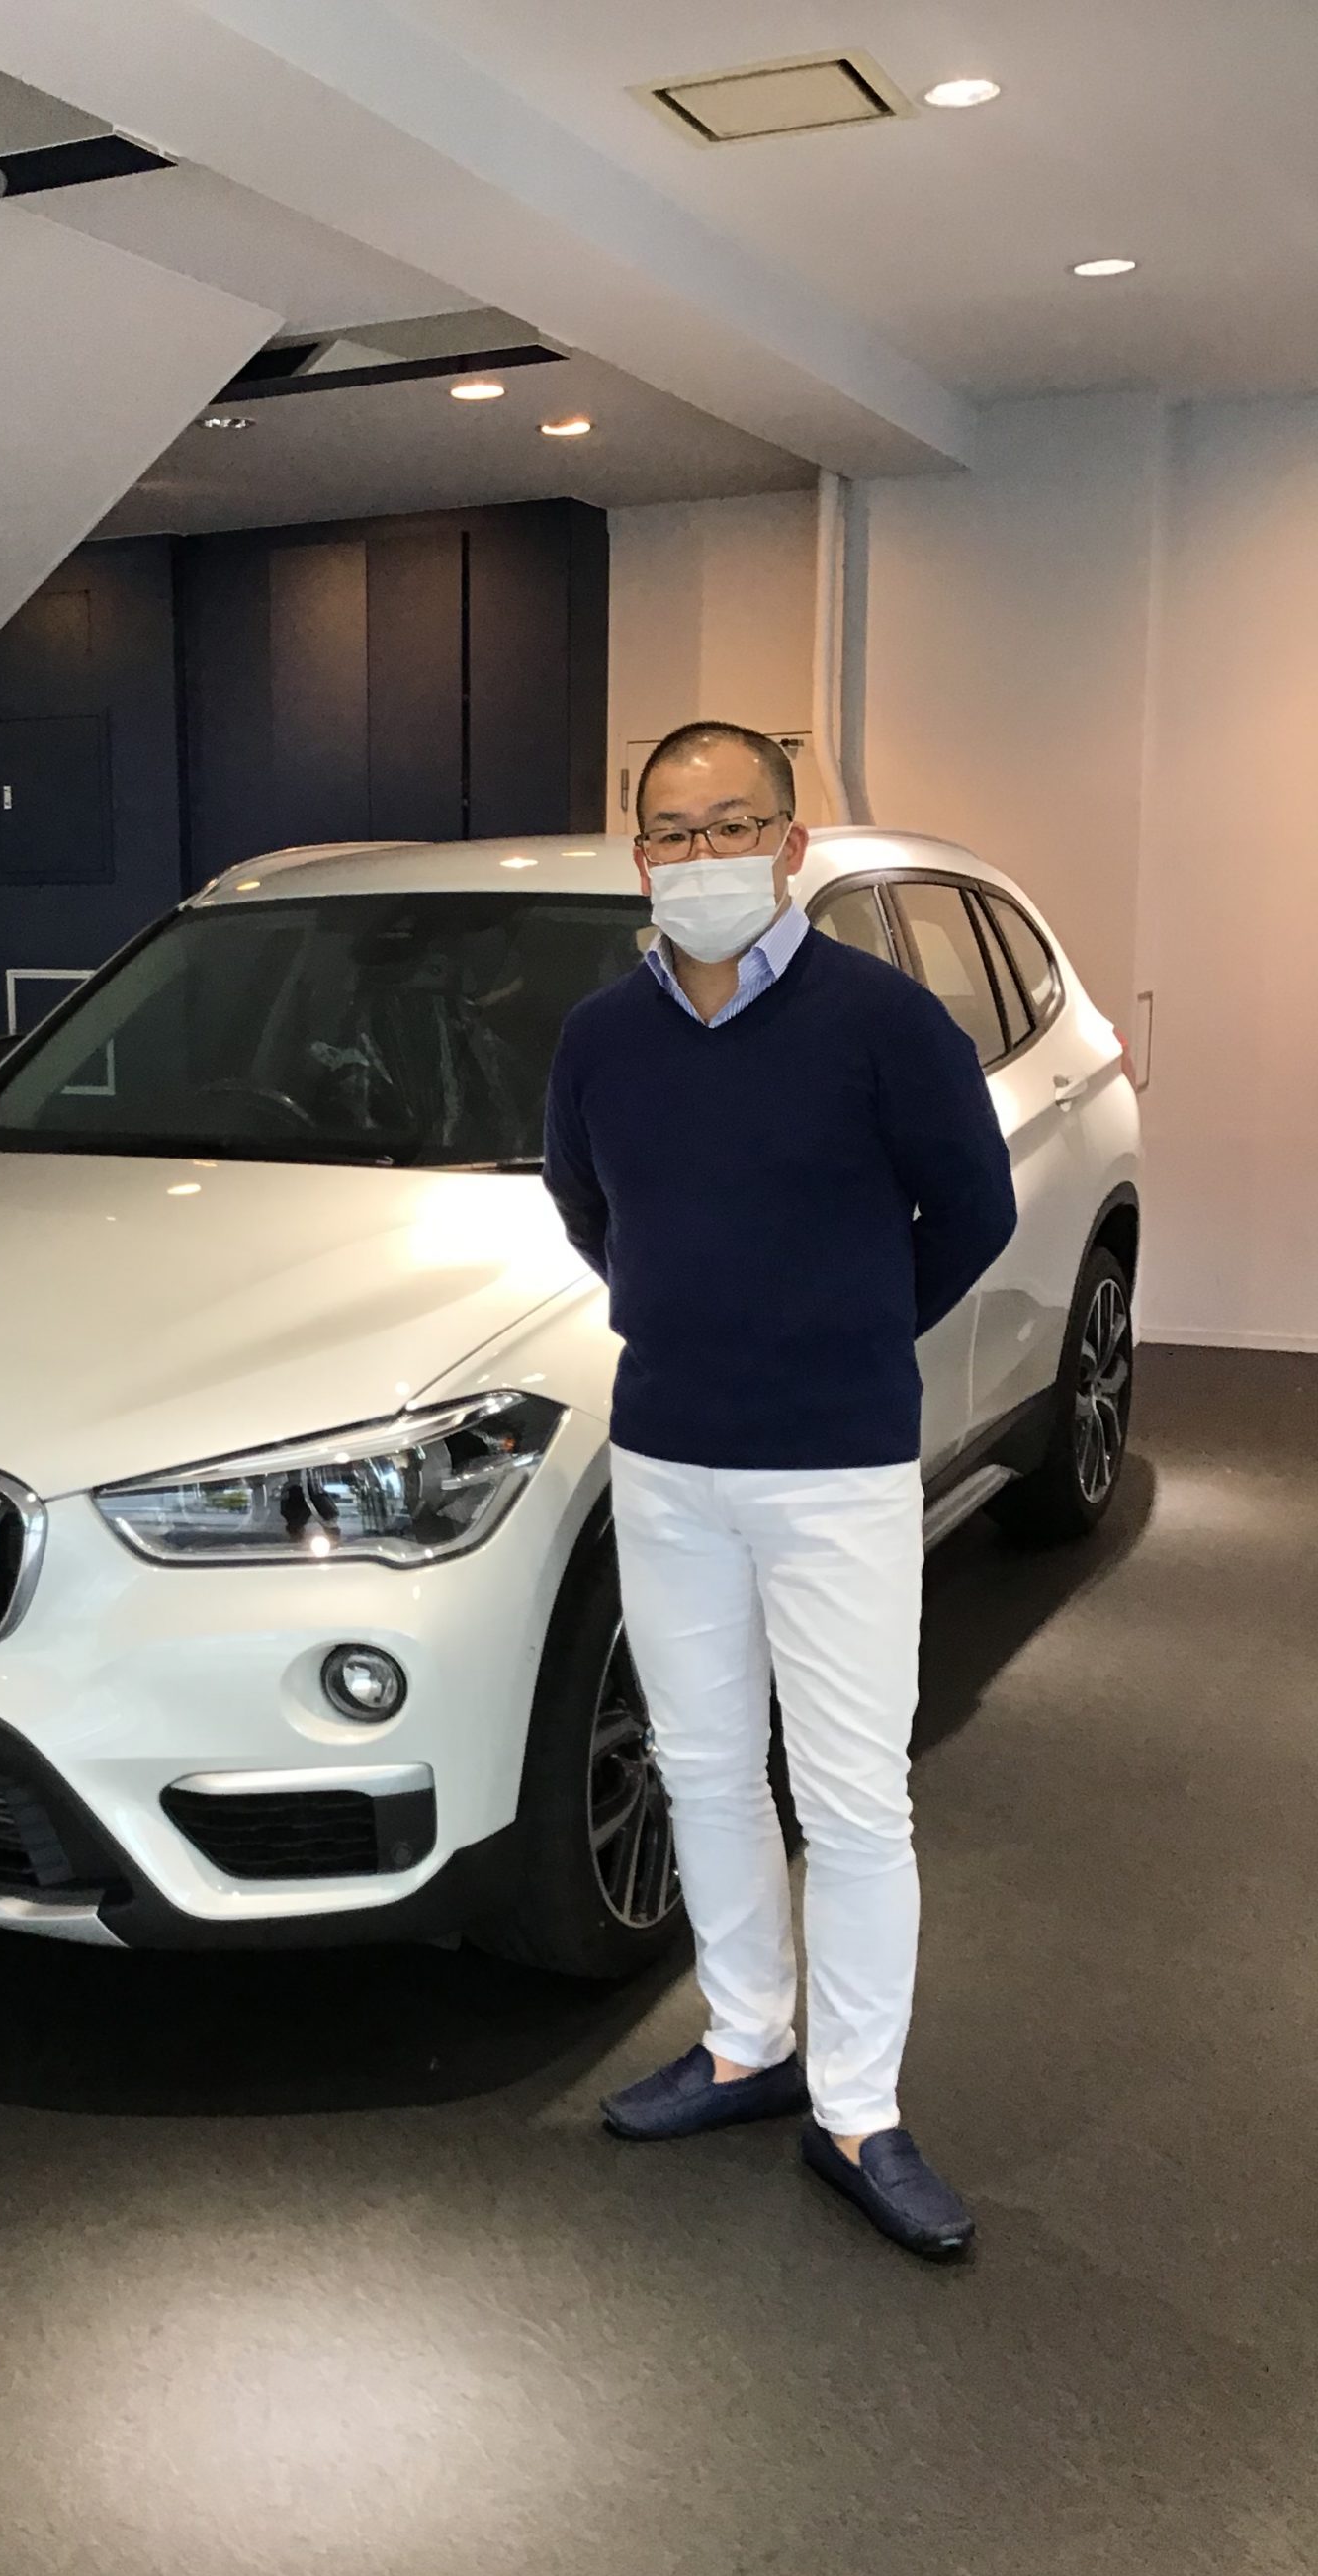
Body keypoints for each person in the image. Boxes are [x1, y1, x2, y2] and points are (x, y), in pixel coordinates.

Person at [543, 721, 1016, 2258]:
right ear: (641, 861)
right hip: (668, 1456)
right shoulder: (599, 1039)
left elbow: (976, 1209)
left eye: (732, 825)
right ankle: (747, 2042)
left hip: (836, 1467)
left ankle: (858, 2108)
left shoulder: (885, 1023)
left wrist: (848, 1326)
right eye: (674, 834)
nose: (704, 857)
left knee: (853, 1795)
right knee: (702, 1767)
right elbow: (588, 1208)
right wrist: (689, 1315)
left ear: (791, 844)